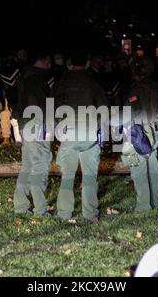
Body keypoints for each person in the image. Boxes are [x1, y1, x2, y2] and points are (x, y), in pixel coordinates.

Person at [52, 50, 108, 222]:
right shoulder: (93, 82)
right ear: (87, 63)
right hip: (89, 135)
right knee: (90, 176)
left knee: (67, 177)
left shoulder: (61, 83)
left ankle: (64, 213)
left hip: (67, 134)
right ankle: (90, 213)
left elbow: (52, 107)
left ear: (69, 62)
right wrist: (102, 132)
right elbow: (103, 109)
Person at [120, 56, 158, 211]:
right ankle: (156, 202)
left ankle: (143, 206)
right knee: (153, 168)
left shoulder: (136, 89)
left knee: (139, 169)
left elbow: (131, 112)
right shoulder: (157, 87)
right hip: (155, 130)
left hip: (139, 131)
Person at [12, 53, 53, 216]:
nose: (50, 64)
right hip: (37, 123)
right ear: (40, 61)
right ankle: (40, 209)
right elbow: (44, 103)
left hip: (25, 123)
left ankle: (21, 205)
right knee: (40, 165)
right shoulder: (36, 79)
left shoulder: (23, 77)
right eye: (47, 60)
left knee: (28, 166)